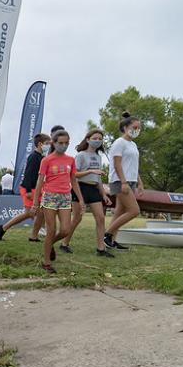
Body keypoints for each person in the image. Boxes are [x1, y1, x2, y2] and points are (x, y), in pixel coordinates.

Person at [30, 129, 85, 273]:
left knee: (65, 230)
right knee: (51, 230)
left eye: (66, 143)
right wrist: (35, 203)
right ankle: (47, 262)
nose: (64, 145)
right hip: (50, 197)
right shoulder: (46, 160)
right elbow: (39, 182)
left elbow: (74, 180)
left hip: (65, 197)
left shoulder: (70, 160)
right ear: (54, 143)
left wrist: (80, 199)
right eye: (60, 143)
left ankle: (50, 244)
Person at [60, 129, 114, 257]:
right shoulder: (81, 155)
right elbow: (74, 174)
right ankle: (64, 243)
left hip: (94, 189)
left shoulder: (98, 157)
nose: (97, 140)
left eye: (100, 139)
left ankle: (101, 249)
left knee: (100, 218)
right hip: (80, 188)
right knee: (77, 218)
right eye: (95, 138)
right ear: (88, 139)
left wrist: (104, 194)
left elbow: (98, 178)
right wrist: (91, 171)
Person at [0, 133, 51, 241]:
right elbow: (28, 175)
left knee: (40, 214)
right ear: (40, 144)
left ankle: (33, 236)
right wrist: (29, 191)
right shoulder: (34, 157)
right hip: (29, 188)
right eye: (47, 143)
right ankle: (3, 227)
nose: (49, 146)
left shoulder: (41, 157)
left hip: (37, 189)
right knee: (29, 213)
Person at [104, 112, 144, 250]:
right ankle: (107, 235)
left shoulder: (133, 144)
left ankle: (112, 242)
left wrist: (139, 182)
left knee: (119, 212)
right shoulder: (119, 143)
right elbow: (117, 164)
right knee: (134, 211)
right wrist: (124, 182)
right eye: (134, 127)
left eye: (139, 128)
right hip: (120, 181)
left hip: (130, 181)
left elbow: (133, 165)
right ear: (126, 127)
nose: (137, 130)